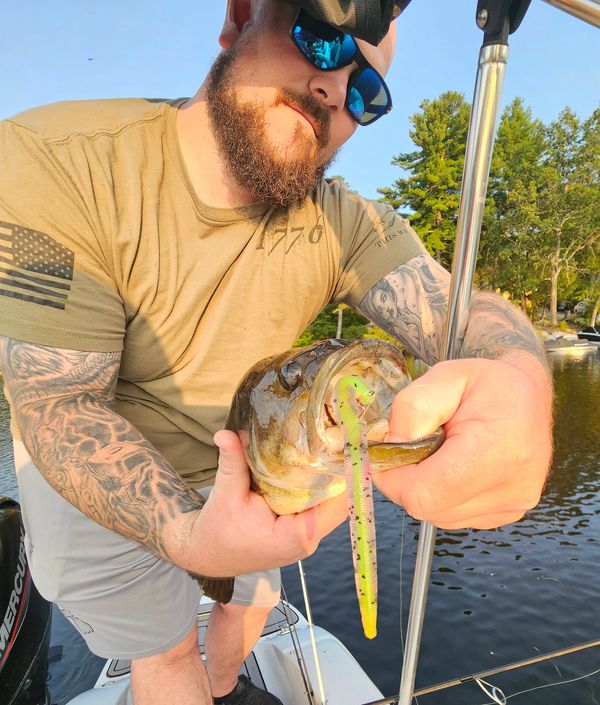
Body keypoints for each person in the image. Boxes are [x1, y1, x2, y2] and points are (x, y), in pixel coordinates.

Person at [0, 1, 553, 704]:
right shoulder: (52, 162)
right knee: (167, 652)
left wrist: (522, 383)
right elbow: (60, 403)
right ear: (238, 18)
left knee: (252, 606)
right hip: (95, 467)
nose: (335, 89)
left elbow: (466, 314)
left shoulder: (345, 221)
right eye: (321, 40)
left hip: (256, 454)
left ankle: (225, 684)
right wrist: (190, 536)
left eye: (366, 89)